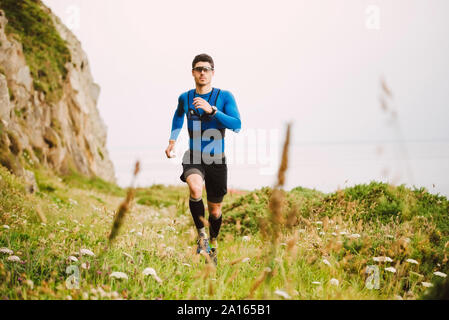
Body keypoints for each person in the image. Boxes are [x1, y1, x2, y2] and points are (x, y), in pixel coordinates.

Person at [165, 53, 241, 265]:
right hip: (194, 156)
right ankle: (202, 237)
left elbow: (237, 125)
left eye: (206, 69)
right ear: (193, 72)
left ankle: (213, 243)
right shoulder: (185, 97)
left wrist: (213, 111)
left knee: (215, 211)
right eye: (198, 69)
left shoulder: (224, 96)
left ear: (212, 73)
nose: (202, 73)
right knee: (196, 189)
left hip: (217, 159)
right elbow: (178, 115)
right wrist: (172, 139)